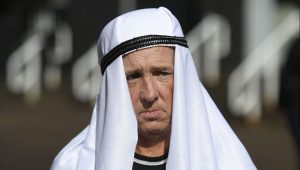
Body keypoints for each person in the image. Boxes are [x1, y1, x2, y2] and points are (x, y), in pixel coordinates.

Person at [51, 7, 256, 170]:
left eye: (162, 73)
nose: (149, 94)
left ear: (184, 78)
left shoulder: (227, 162)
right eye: (132, 77)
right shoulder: (74, 165)